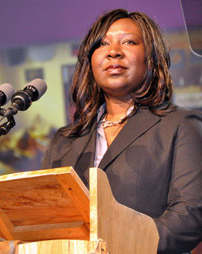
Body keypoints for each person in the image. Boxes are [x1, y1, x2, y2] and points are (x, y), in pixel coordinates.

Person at [42, 9, 202, 253]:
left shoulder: (180, 126)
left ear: (151, 58)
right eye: (103, 44)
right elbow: (45, 216)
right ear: (90, 61)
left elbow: (189, 214)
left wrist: (126, 242)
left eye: (128, 42)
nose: (113, 51)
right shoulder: (65, 140)